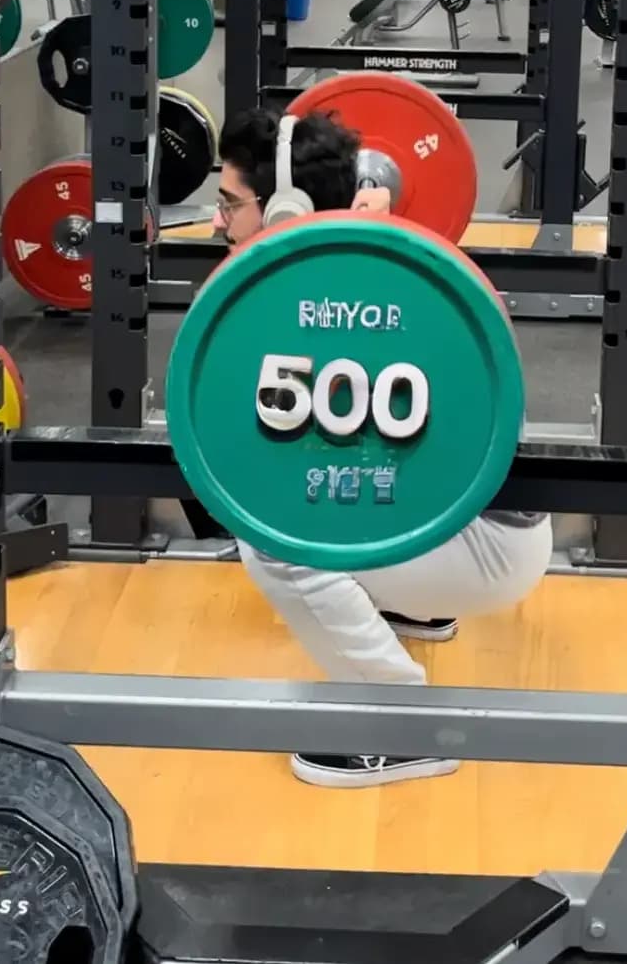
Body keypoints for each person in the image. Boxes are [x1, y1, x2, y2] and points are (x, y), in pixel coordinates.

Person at [213, 106, 553, 789]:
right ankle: (412, 604)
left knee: (274, 542)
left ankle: (404, 725)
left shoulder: (324, 289)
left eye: (229, 204)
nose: (218, 222)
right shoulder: (367, 255)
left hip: (488, 544)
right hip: (485, 523)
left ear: (284, 211)